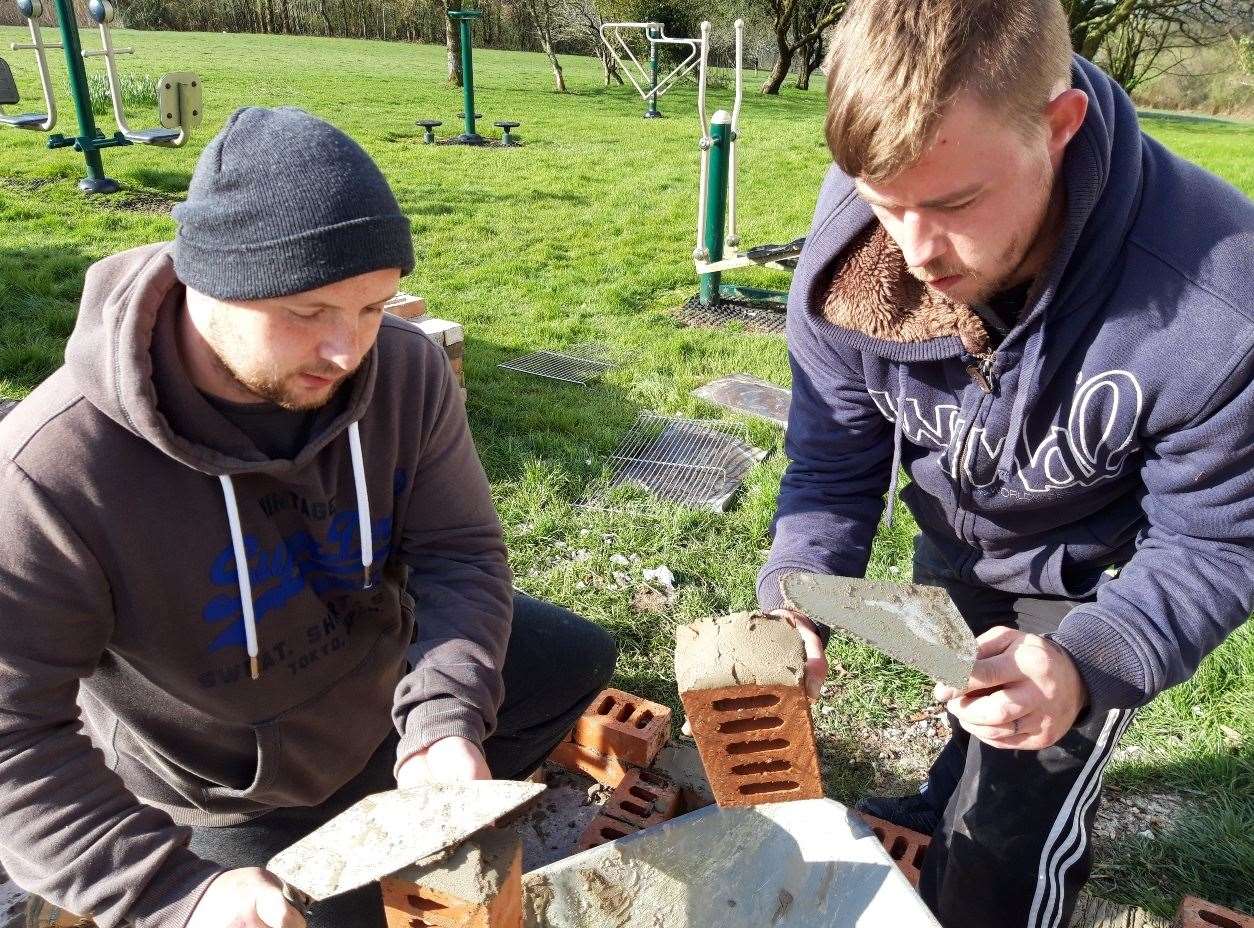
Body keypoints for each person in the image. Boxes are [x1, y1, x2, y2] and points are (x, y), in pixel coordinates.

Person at [0, 107, 617, 928]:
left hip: (376, 686)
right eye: (308, 312)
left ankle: (407, 807)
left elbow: (459, 551)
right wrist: (174, 894)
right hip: (233, 785)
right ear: (206, 282)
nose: (348, 352)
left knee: (576, 659)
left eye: (373, 308)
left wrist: (442, 720)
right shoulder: (50, 474)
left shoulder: (404, 372)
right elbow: (12, 738)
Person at [758, 1, 1254, 926]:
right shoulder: (852, 253)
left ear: (1059, 128)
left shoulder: (1220, 306)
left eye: (953, 205)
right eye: (882, 202)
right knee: (967, 709)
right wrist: (797, 594)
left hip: (1091, 577)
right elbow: (831, 464)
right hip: (954, 525)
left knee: (1011, 828)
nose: (914, 252)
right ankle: (949, 799)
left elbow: (1218, 542)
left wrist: (1083, 666)